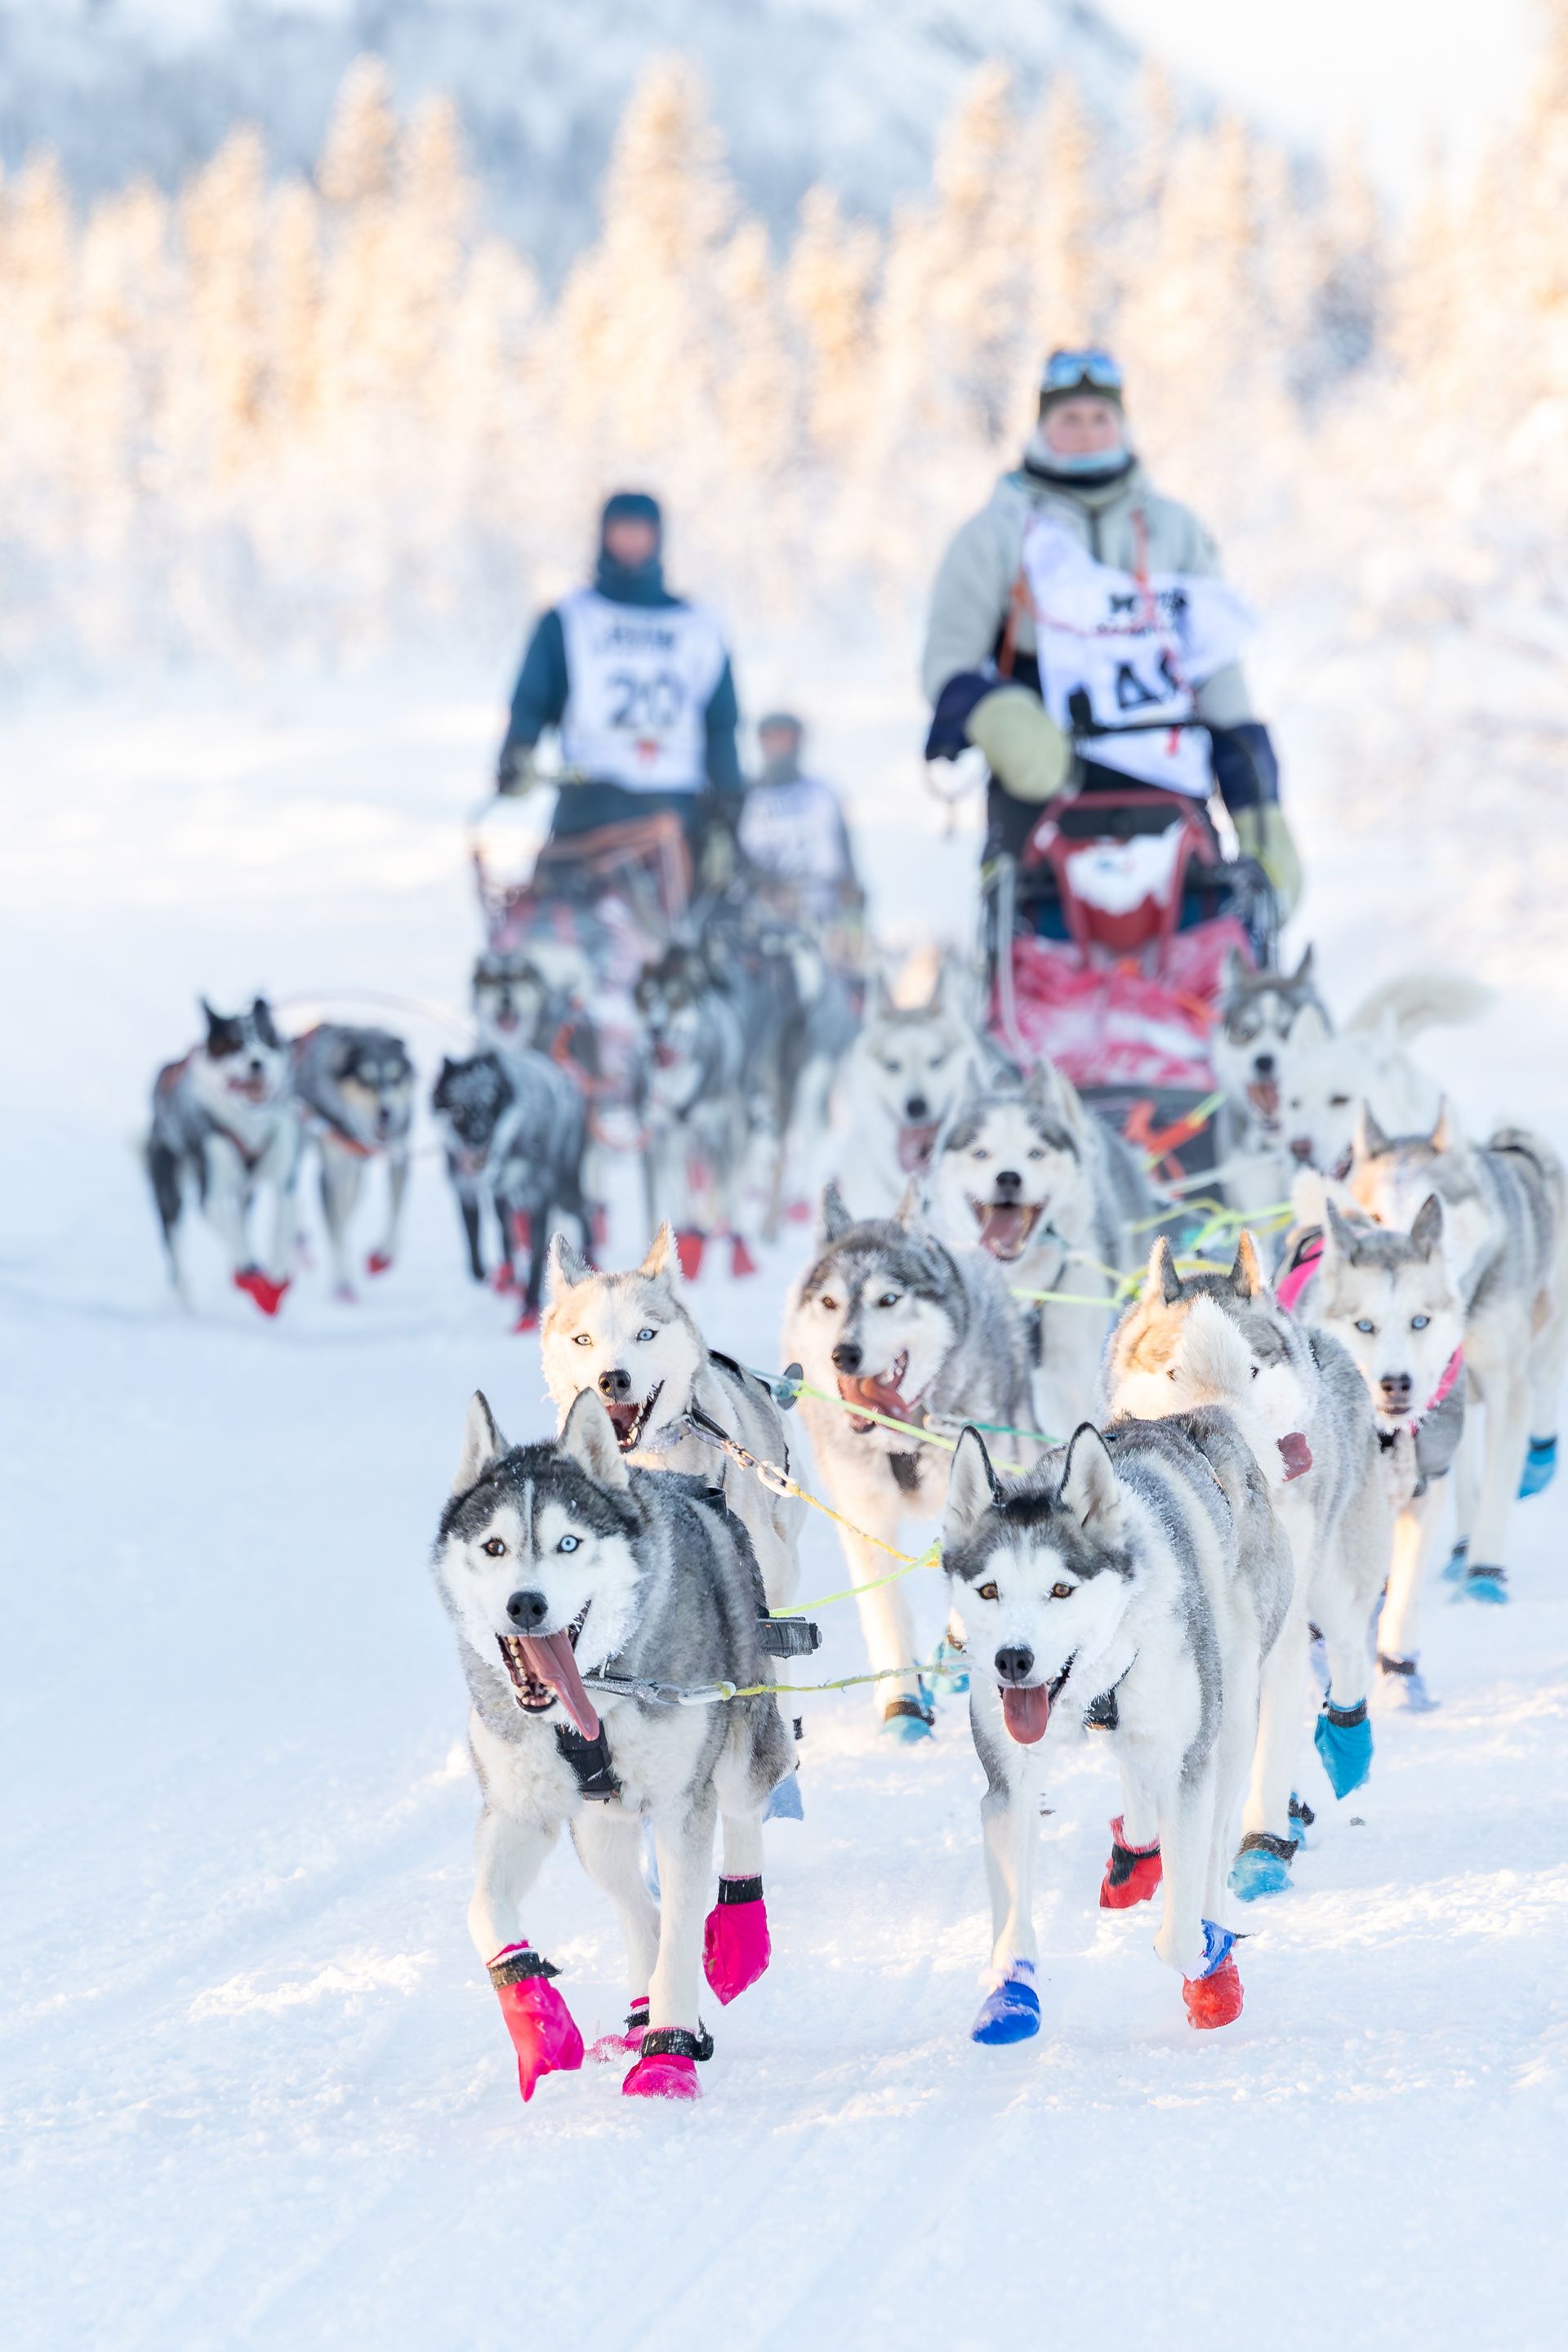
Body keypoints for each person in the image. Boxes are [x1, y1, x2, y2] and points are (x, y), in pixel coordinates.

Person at [920, 348, 1300, 913]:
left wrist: (1256, 798)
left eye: (1100, 417)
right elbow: (948, 660)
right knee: (1035, 935)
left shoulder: (1175, 530)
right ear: (1042, 426)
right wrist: (997, 715)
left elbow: (1214, 663)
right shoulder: (995, 535)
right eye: (1069, 418)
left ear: (1122, 424)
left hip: (1169, 780)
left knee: (1212, 929)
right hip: (1044, 786)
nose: (1086, 432)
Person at [495, 492, 743, 865]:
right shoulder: (570, 619)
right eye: (621, 530)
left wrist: (728, 800)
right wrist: (517, 753)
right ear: (603, 535)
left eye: (639, 531)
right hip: (590, 796)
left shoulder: (698, 627)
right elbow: (532, 700)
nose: (630, 542)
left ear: (657, 537)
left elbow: (721, 722)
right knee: (556, 896)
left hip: (674, 800)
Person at [737, 712, 860, 923]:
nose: (777, 744)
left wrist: (853, 907)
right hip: (765, 911)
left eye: (785, 736)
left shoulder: (824, 793)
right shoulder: (746, 796)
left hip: (823, 907)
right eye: (770, 736)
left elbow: (845, 852)